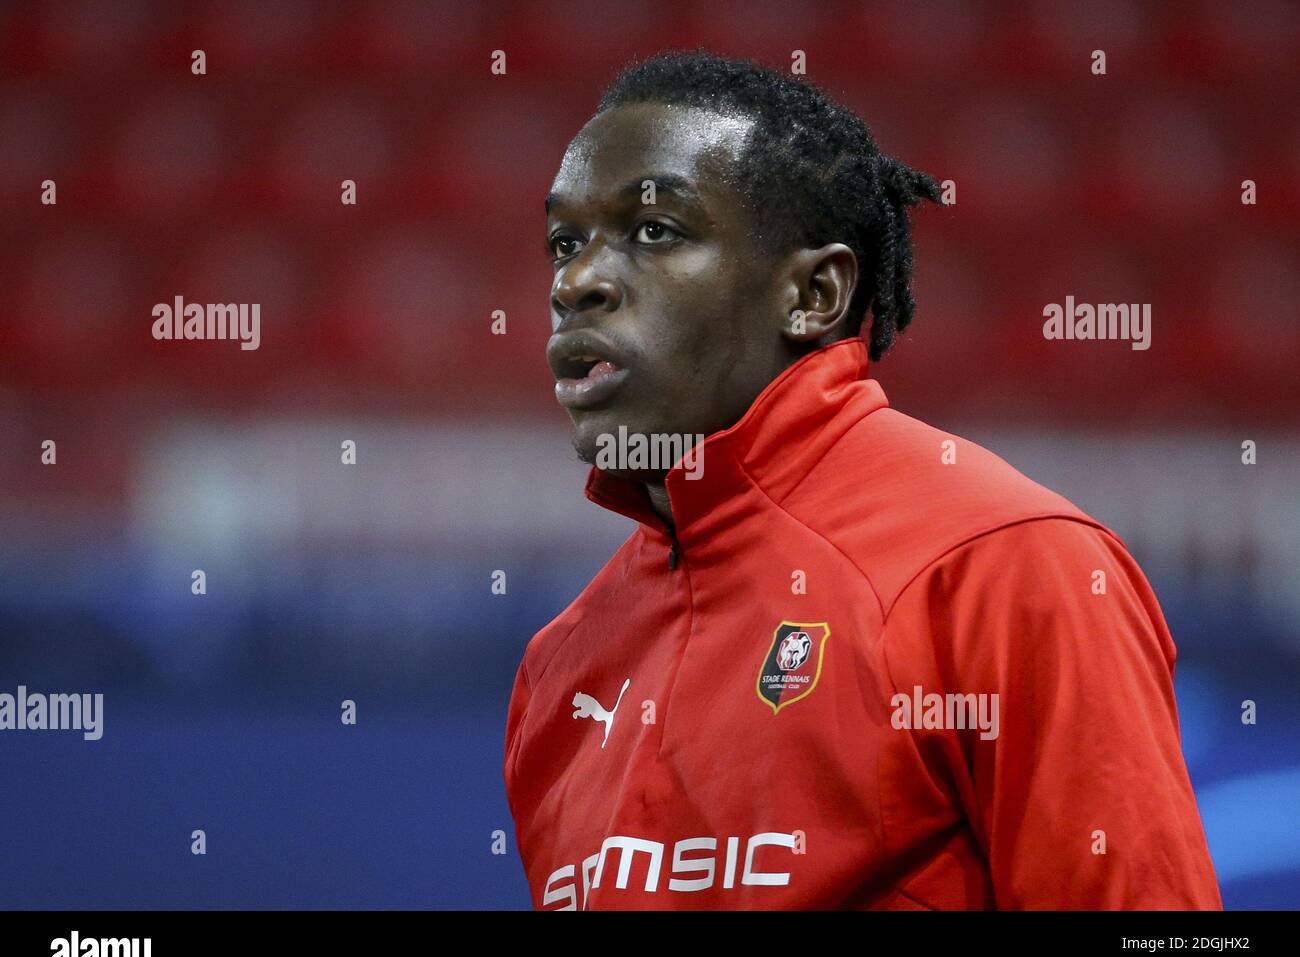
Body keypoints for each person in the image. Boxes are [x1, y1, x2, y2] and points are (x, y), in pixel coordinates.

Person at [504, 49, 1222, 910]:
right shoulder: (558, 673)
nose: (576, 281)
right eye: (564, 242)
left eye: (656, 231)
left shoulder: (1007, 567)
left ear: (814, 293)